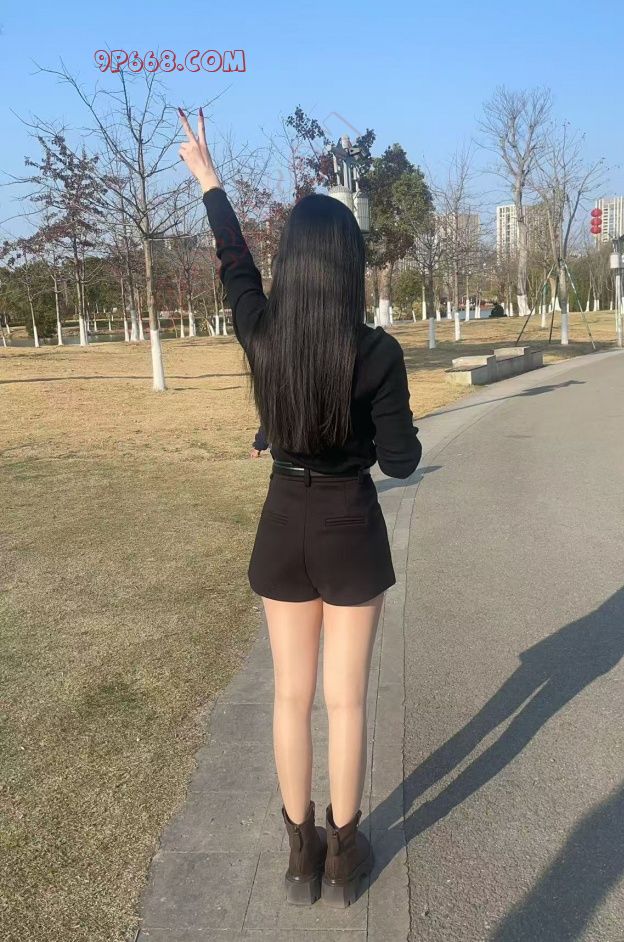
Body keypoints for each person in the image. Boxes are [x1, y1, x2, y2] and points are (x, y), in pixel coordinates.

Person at [178, 108, 422, 908]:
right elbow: (401, 462)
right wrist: (382, 421)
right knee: (344, 700)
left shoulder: (263, 335)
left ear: (291, 261)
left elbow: (235, 268)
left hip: (283, 525)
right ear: (350, 266)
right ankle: (344, 853)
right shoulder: (378, 352)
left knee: (290, 695)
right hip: (351, 529)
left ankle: (297, 856)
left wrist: (210, 181)